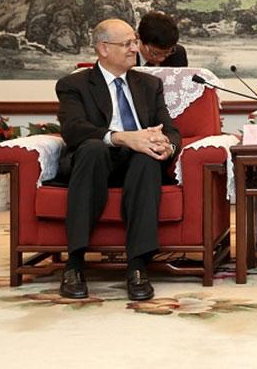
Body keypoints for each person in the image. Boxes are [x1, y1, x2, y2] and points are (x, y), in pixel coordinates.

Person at [56, 19, 181, 301]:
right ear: (103, 48)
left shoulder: (149, 84)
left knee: (148, 156)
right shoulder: (73, 84)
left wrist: (167, 146)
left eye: (134, 42)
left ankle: (137, 266)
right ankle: (74, 264)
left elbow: (170, 129)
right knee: (92, 149)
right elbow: (74, 129)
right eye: (126, 44)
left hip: (138, 165)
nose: (134, 49)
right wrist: (123, 137)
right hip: (96, 162)